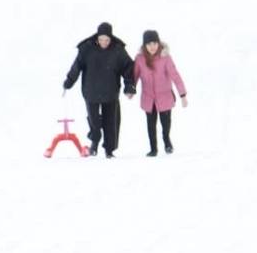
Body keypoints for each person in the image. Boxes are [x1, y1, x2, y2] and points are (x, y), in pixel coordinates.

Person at [62, 22, 136, 159]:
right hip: (91, 91)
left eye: (107, 40)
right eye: (101, 39)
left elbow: (128, 68)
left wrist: (129, 86)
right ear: (97, 37)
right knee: (94, 121)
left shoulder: (118, 49)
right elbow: (76, 66)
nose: (104, 42)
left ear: (111, 38)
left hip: (111, 91)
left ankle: (109, 149)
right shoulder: (86, 48)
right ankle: (95, 142)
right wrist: (69, 82)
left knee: (111, 122)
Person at [132, 29, 187, 157]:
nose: (152, 47)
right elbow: (135, 76)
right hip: (148, 98)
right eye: (149, 44)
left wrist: (182, 95)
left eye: (155, 43)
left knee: (165, 123)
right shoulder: (140, 59)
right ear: (145, 45)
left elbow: (175, 76)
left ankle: (167, 142)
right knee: (150, 125)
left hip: (164, 97)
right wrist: (131, 90)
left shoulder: (165, 58)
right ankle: (153, 148)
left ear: (159, 44)